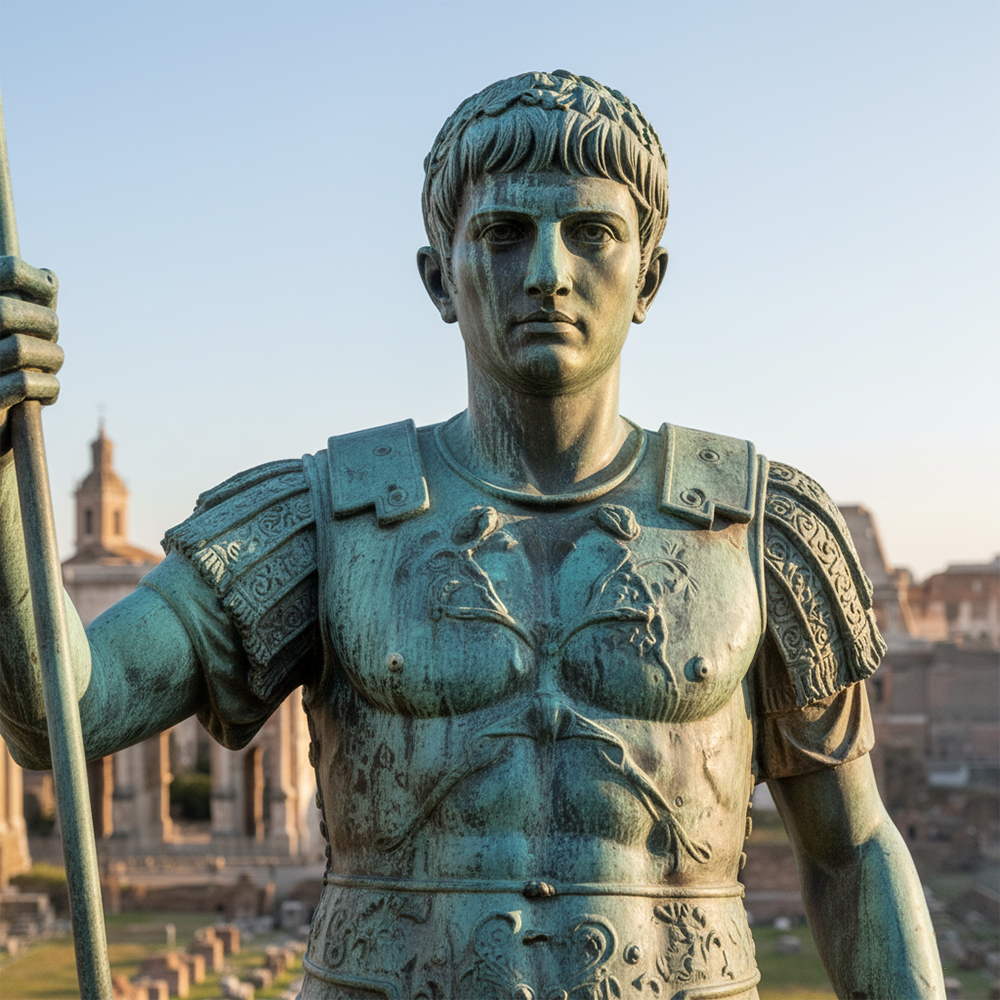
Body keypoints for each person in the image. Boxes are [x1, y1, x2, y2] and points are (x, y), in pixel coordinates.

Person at [0, 71, 944, 999]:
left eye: (592, 233)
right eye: (501, 233)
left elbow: (853, 850)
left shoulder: (760, 527)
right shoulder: (318, 520)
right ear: (436, 278)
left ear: (649, 275)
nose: (546, 274)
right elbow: (59, 714)